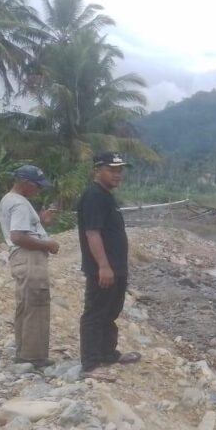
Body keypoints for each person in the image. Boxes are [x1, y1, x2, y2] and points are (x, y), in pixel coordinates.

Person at [76, 152, 141, 380]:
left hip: (116, 267)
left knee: (111, 311)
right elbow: (92, 233)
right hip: (103, 269)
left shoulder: (106, 196)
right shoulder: (94, 196)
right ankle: (91, 364)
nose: (117, 174)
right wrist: (103, 266)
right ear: (97, 170)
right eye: (111, 170)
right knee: (95, 313)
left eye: (119, 170)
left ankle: (107, 353)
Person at [0, 165, 60, 368]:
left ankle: (24, 353)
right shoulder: (19, 203)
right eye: (37, 186)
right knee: (36, 304)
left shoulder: (11, 200)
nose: (39, 190)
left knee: (26, 304)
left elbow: (23, 229)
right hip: (29, 258)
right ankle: (33, 357)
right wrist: (48, 245)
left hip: (23, 258)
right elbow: (17, 236)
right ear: (25, 182)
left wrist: (41, 221)